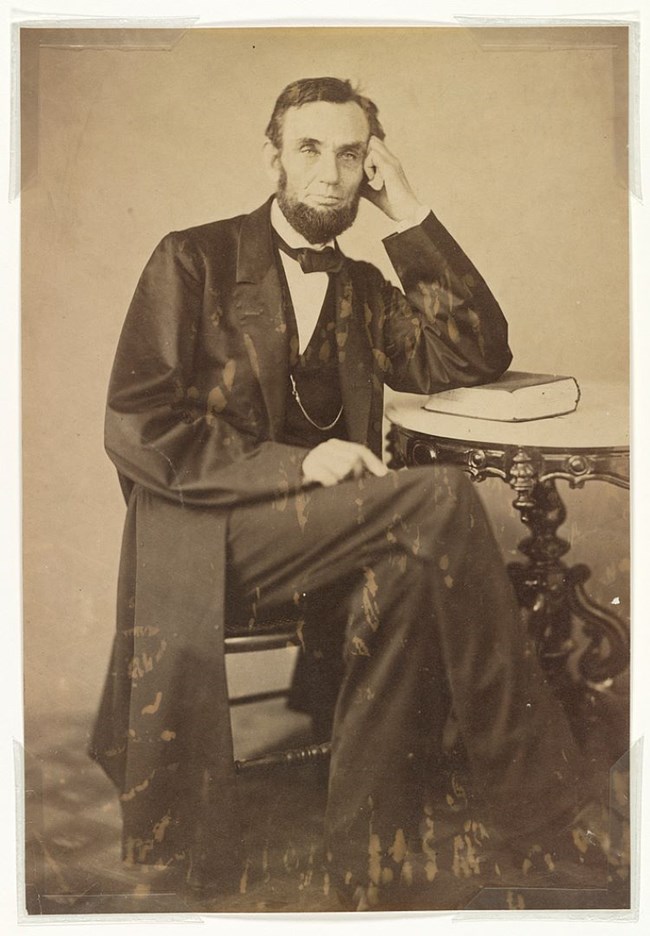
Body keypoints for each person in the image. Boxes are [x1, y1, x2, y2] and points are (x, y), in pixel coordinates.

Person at [90, 77, 607, 909]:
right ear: (273, 159)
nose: (330, 173)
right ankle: (535, 812)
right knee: (438, 500)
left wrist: (410, 215)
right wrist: (294, 466)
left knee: (407, 580)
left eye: (352, 153)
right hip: (212, 538)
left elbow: (474, 354)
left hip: (331, 537)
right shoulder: (194, 256)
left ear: (370, 165)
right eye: (309, 149)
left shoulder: (363, 287)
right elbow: (138, 423)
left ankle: (367, 858)